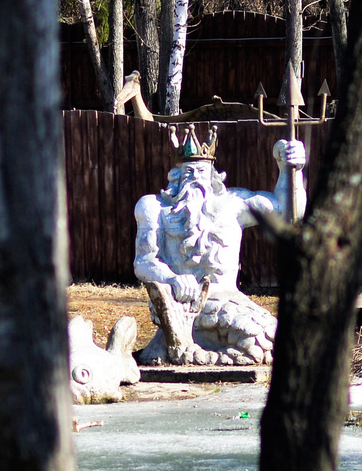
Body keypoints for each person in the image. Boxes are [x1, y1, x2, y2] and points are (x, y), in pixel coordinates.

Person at [132, 134, 308, 365]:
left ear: (213, 174)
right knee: (264, 338)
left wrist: (289, 169)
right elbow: (143, 262)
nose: (195, 177)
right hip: (177, 305)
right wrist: (173, 278)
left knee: (271, 337)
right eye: (188, 172)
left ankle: (194, 354)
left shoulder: (234, 203)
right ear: (175, 176)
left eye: (202, 172)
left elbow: (287, 213)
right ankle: (190, 351)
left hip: (227, 301)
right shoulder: (153, 207)